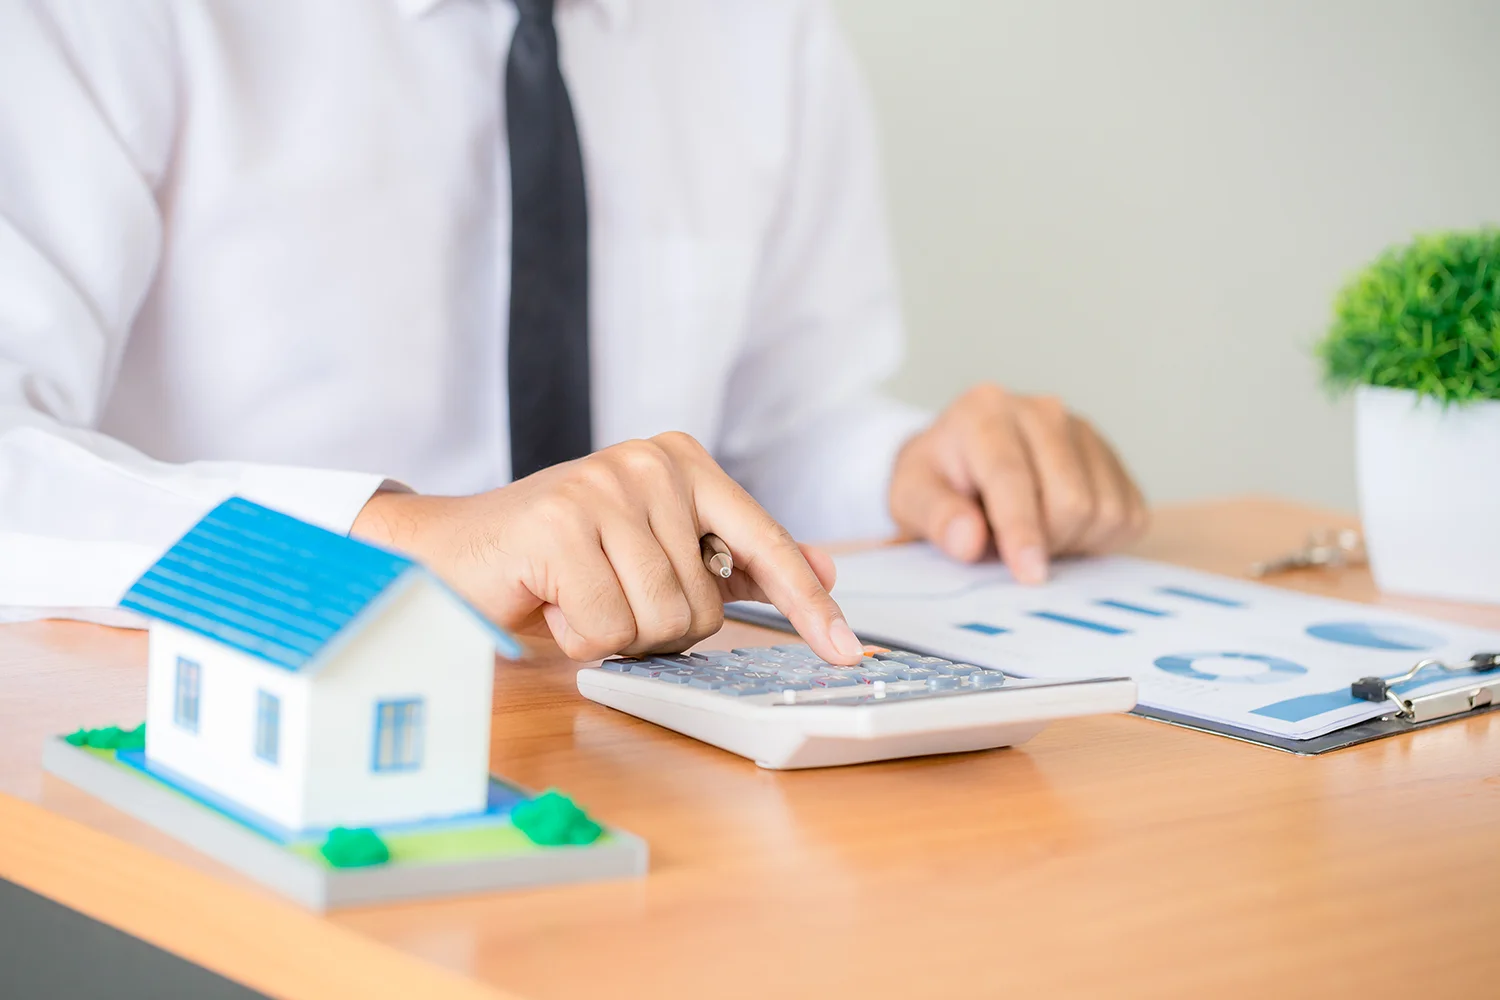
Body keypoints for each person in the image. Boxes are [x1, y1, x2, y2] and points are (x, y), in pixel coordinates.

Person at [0, 0, 1146, 665]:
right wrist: (406, 542)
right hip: (208, 781)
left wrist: (907, 470)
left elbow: (761, 426)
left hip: (635, 780)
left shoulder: (764, 28)